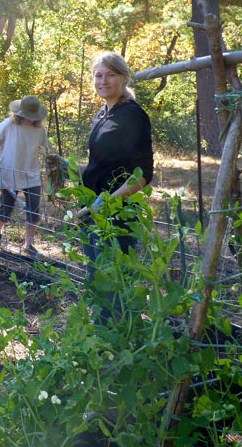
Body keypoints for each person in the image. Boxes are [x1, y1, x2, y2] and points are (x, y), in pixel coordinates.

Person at [77, 52, 153, 321]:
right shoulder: (101, 115)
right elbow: (101, 166)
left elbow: (142, 175)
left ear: (124, 78)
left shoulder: (132, 115)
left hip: (116, 216)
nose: (103, 80)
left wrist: (108, 201)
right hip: (91, 213)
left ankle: (119, 345)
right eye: (99, 75)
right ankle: (101, 341)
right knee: (97, 280)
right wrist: (71, 167)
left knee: (115, 284)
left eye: (110, 75)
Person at [0, 95, 50, 256]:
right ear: (19, 114)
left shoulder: (40, 129)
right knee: (6, 208)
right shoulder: (7, 125)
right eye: (26, 116)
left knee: (34, 210)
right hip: (9, 174)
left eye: (33, 117)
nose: (29, 120)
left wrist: (51, 165)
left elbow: (46, 150)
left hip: (31, 174)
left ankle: (29, 245)